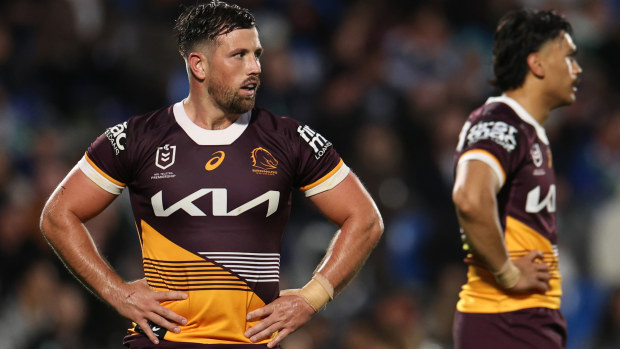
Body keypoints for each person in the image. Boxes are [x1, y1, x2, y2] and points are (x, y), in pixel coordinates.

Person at [39, 1, 383, 348]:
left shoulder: (289, 139)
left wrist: (312, 297)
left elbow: (365, 219)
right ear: (198, 65)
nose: (255, 67)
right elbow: (58, 215)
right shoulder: (137, 138)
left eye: (257, 54)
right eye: (239, 55)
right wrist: (117, 292)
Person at [451, 8, 582, 349]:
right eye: (568, 57)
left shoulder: (527, 130)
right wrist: (508, 273)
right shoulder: (501, 122)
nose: (577, 69)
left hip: (526, 319)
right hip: (504, 320)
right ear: (537, 65)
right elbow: (469, 197)